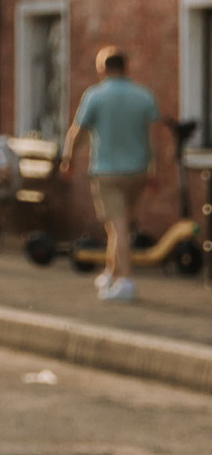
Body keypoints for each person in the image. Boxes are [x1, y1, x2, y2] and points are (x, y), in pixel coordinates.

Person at [67, 44, 170, 304]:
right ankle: (111, 272)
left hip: (107, 171)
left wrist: (69, 159)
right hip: (137, 171)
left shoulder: (95, 95)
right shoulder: (144, 95)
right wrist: (154, 168)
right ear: (126, 67)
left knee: (118, 226)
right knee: (121, 225)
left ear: (102, 69)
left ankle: (126, 281)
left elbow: (78, 131)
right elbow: (154, 135)